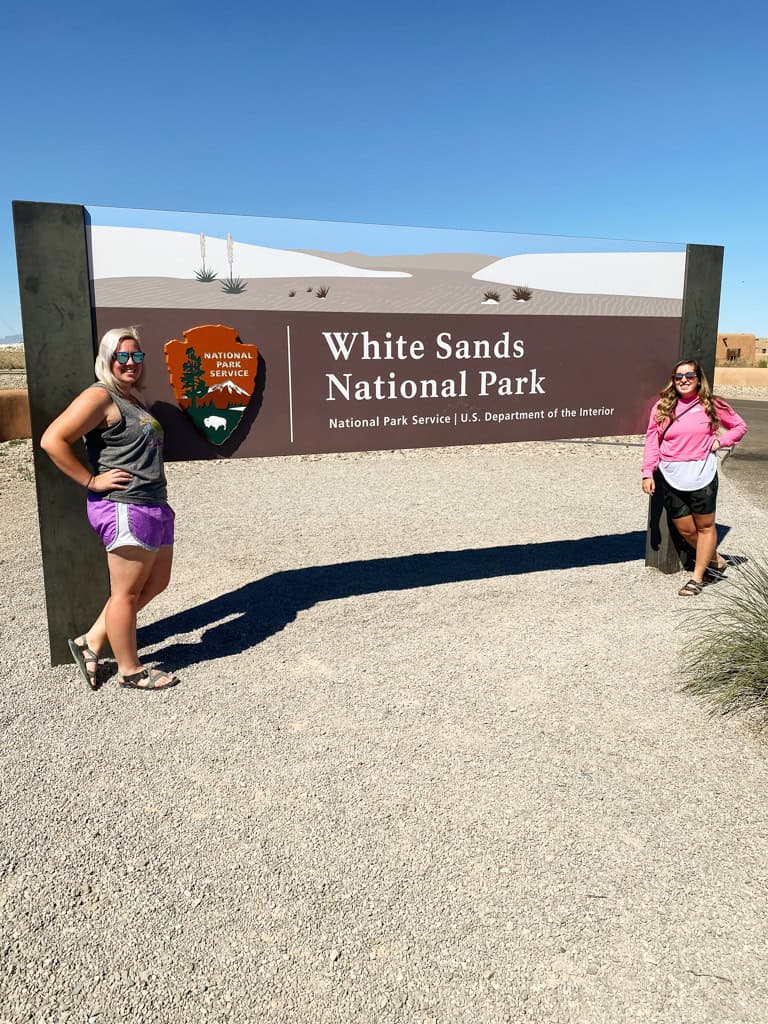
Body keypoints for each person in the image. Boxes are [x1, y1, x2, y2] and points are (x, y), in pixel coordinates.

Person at [41, 327, 180, 690]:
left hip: (152, 504)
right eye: (123, 356)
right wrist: (91, 481)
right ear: (108, 359)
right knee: (127, 593)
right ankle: (130, 670)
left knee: (156, 583)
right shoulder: (100, 396)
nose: (131, 363)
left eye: (137, 356)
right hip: (124, 506)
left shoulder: (130, 397)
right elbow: (52, 440)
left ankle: (90, 642)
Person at [641, 358, 747, 596]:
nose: (684, 381)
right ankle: (716, 560)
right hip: (670, 475)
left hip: (703, 474)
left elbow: (739, 426)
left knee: (706, 526)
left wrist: (721, 441)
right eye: (679, 377)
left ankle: (698, 577)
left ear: (698, 379)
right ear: (673, 380)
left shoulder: (712, 404)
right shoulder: (661, 407)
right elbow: (651, 440)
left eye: (689, 376)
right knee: (686, 529)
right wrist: (647, 472)